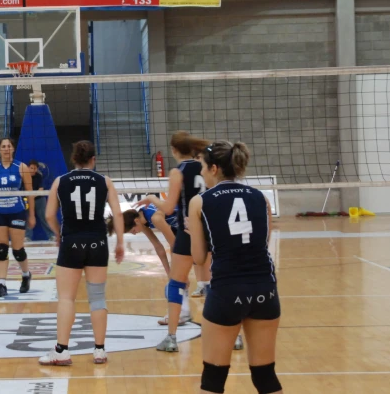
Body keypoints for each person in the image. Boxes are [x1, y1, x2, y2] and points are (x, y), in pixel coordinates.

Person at [187, 141, 281, 394]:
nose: (201, 173)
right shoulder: (261, 198)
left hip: (227, 291)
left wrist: (194, 232)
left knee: (213, 379)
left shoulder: (199, 201)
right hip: (265, 290)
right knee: (265, 376)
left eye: (203, 167)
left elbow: (198, 259)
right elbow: (263, 243)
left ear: (215, 168)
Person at [39, 141, 125, 366]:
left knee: (66, 298)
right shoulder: (105, 181)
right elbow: (117, 214)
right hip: (97, 243)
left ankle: (62, 351)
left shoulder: (60, 181)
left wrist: (58, 235)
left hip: (71, 244)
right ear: (93, 159)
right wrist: (120, 243)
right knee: (97, 297)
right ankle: (99, 351)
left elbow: (49, 215)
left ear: (73, 159)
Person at [136, 131, 211, 352]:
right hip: (210, 231)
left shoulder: (178, 172)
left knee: (177, 284)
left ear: (174, 150)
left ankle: (171, 338)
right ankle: (233, 336)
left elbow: (168, 208)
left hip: (188, 233)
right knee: (211, 285)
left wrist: (151, 198)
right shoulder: (206, 166)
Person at [0, 138, 35, 297]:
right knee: (1, 248)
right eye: (3, 147)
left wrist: (31, 215)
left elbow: (30, 193)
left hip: (16, 211)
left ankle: (26, 275)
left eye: (9, 146)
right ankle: (1, 284)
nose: (6, 149)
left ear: (13, 149)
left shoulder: (21, 167)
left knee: (18, 250)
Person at [109, 204, 178, 274]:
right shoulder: (141, 219)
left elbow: (174, 245)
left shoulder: (155, 218)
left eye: (133, 231)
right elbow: (158, 246)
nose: (134, 234)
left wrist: (175, 274)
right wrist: (169, 273)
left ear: (136, 221)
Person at [26, 160, 52, 241]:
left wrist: (32, 196)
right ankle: (27, 237)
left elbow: (41, 189)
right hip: (27, 199)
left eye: (35, 168)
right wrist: (29, 197)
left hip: (39, 199)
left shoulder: (39, 176)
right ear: (28, 168)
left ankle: (51, 235)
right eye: (31, 168)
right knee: (27, 217)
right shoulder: (24, 176)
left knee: (44, 217)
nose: (33, 170)